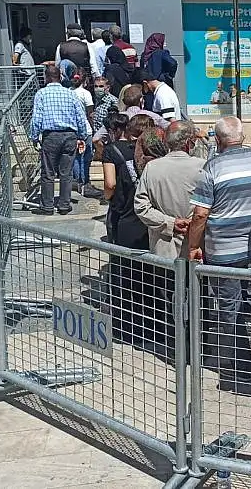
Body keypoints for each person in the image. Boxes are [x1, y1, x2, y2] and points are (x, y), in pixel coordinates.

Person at [187, 116, 251, 392]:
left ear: (217, 140)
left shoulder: (212, 168)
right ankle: (247, 345)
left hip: (224, 250)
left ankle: (241, 365)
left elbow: (200, 214)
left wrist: (193, 246)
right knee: (246, 298)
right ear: (243, 136)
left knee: (230, 306)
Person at [134, 121, 206, 356]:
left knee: (171, 300)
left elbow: (141, 207)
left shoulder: (152, 169)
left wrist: (169, 223)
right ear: (189, 143)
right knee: (199, 299)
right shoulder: (203, 167)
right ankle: (199, 348)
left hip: (165, 248)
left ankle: (178, 349)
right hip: (198, 247)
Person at [99, 112, 152, 350]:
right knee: (148, 273)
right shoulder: (147, 153)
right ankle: (151, 325)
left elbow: (110, 184)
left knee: (124, 271)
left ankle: (127, 326)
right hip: (146, 217)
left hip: (124, 215)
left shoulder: (112, 151)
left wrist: (107, 197)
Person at [28, 65, 91, 216]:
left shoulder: (41, 94)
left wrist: (34, 136)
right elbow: (80, 117)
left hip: (51, 136)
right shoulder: (70, 94)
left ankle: (47, 206)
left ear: (46, 77)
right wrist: (82, 136)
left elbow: (37, 118)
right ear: (60, 77)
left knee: (48, 172)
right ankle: (64, 205)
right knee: (66, 172)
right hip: (69, 136)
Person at [59, 61, 101, 199]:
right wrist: (94, 127)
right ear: (85, 80)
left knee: (76, 157)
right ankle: (85, 182)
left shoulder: (67, 93)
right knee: (86, 158)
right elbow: (90, 114)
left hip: (71, 130)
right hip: (85, 129)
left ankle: (77, 182)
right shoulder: (85, 94)